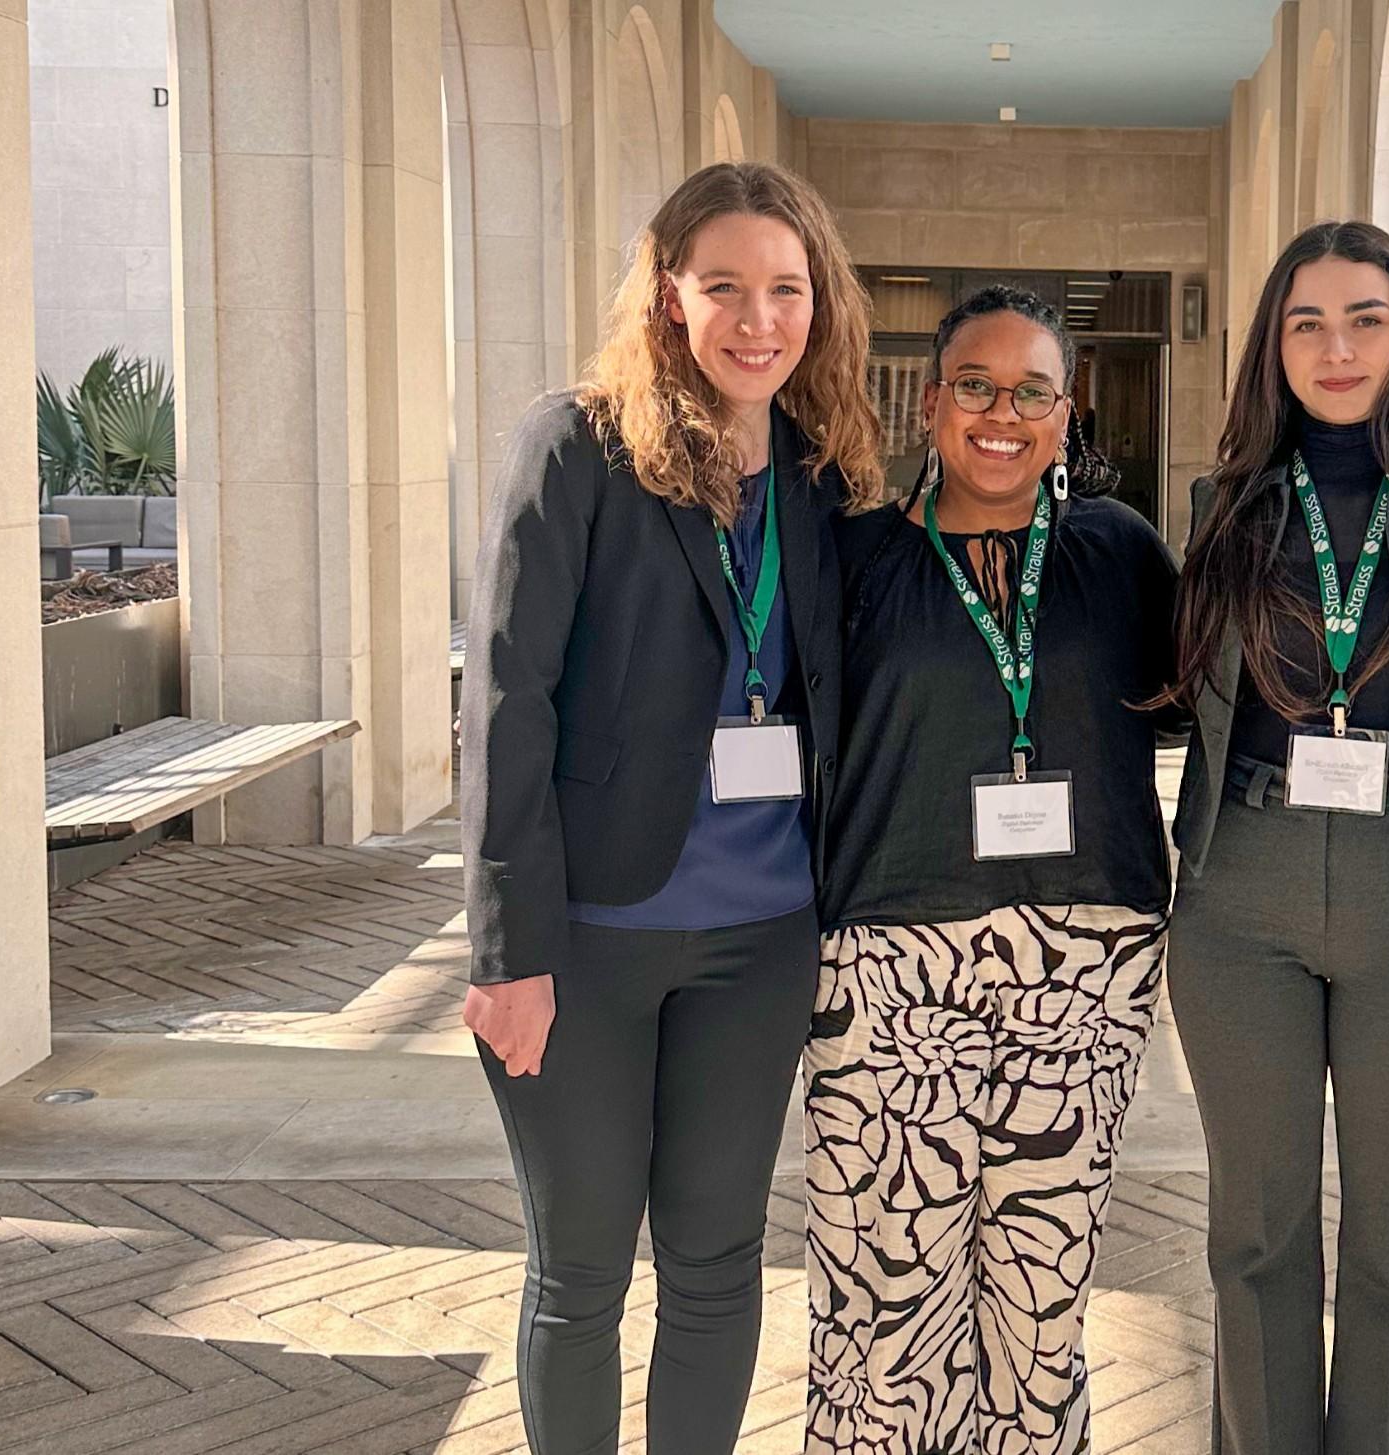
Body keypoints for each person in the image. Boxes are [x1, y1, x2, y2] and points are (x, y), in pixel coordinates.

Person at [458, 161, 881, 1455]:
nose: (758, 318)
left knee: (716, 1263)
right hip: (585, 939)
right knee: (580, 1273)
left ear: (820, 303)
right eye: (725, 287)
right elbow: (508, 702)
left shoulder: (820, 476)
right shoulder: (578, 445)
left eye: (785, 289)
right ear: (668, 295)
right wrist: (506, 951)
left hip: (762, 941)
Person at [1159, 219, 1389, 1454]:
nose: (1334, 346)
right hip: (1241, 897)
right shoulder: (1225, 507)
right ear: (1272, 341)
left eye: (1364, 317)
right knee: (1254, 1239)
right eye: (1305, 320)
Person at [805, 286, 1179, 1455]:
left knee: (1039, 1298)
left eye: (1033, 392)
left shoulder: (1120, 553)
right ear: (931, 402)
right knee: (885, 1300)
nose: (1001, 414)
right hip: (886, 965)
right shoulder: (856, 556)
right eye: (977, 385)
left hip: (1087, 963)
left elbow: (1198, 707)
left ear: (1066, 418)